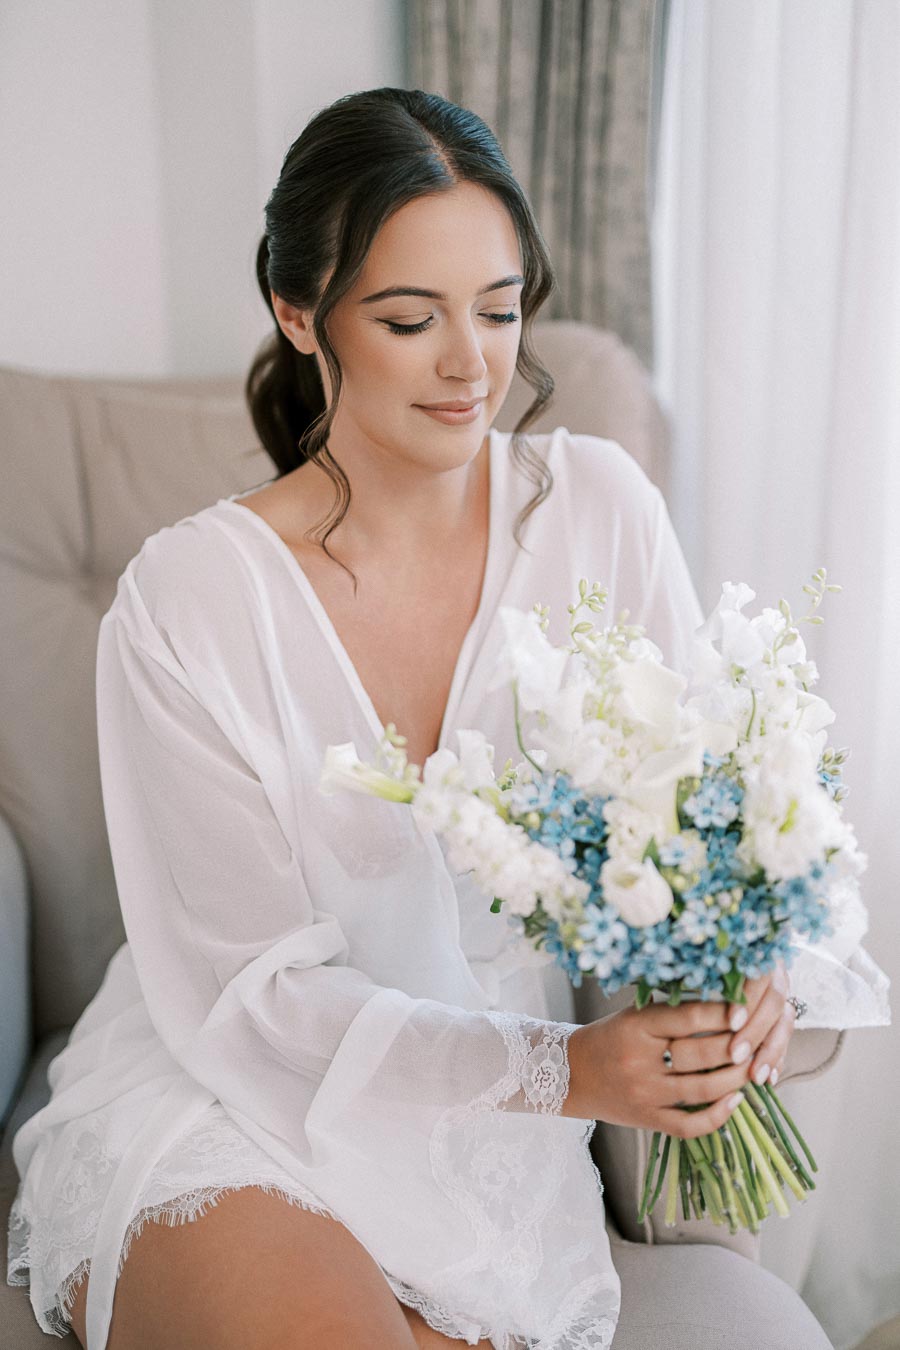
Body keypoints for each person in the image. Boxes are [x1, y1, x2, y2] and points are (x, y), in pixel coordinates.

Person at [7, 87, 836, 1350]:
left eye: (501, 311)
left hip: (485, 1134)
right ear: (299, 314)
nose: (472, 364)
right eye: (410, 319)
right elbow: (249, 1000)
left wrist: (744, 967)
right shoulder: (188, 602)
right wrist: (570, 1072)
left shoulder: (598, 510)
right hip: (234, 1090)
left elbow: (703, 802)